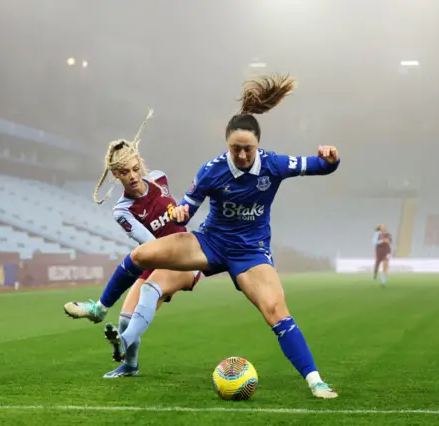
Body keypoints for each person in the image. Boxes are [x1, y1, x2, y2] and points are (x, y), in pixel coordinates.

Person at [80, 74, 341, 399]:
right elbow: (188, 208)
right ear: (227, 146)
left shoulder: (275, 164)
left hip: (251, 252)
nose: (242, 156)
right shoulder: (211, 170)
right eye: (235, 149)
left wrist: (332, 158)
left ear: (257, 145)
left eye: (248, 149)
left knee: (277, 312)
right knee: (141, 256)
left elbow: (320, 166)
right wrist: (181, 214)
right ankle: (100, 308)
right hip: (210, 244)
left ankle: (315, 381)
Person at [63, 110, 202, 378]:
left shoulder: (160, 179)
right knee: (126, 319)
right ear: (116, 175)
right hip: (158, 259)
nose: (133, 176)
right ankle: (130, 364)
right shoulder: (123, 211)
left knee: (149, 292)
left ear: (141, 163)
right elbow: (150, 245)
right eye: (125, 172)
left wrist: (179, 212)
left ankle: (118, 336)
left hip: (186, 258)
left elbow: (181, 212)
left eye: (136, 168)